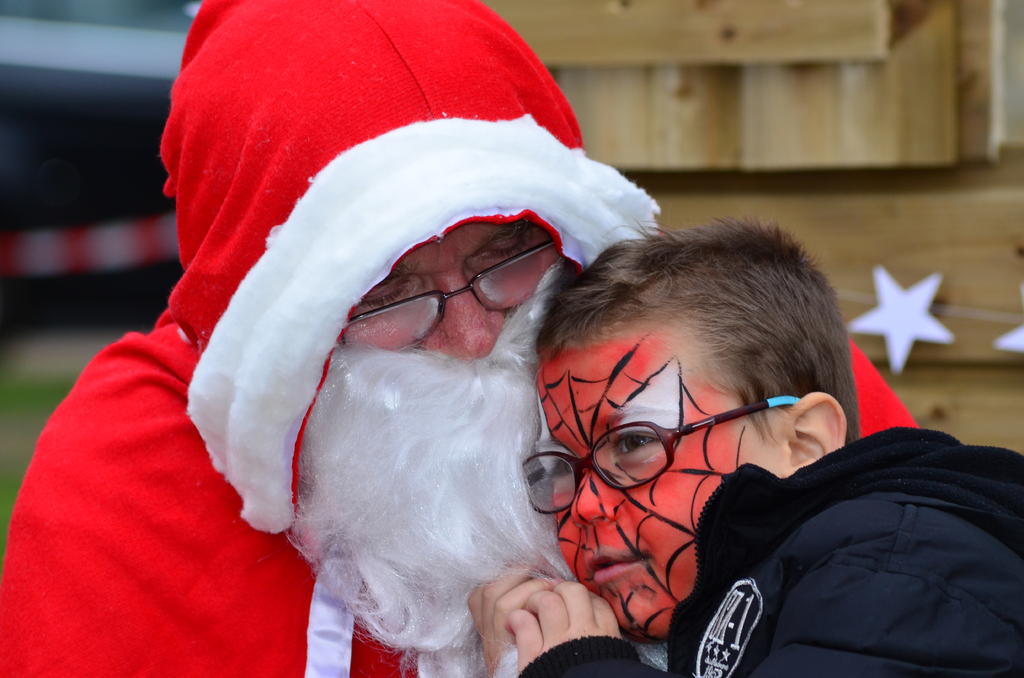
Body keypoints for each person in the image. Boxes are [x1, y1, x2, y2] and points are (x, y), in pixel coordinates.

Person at [0, 0, 914, 675]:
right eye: (394, 293)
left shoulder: (713, 355)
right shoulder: (131, 476)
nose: (475, 333)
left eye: (505, 256)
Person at [471, 219, 1024, 678]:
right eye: (564, 467)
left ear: (803, 442)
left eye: (635, 442)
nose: (586, 506)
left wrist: (579, 667)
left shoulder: (900, 568)